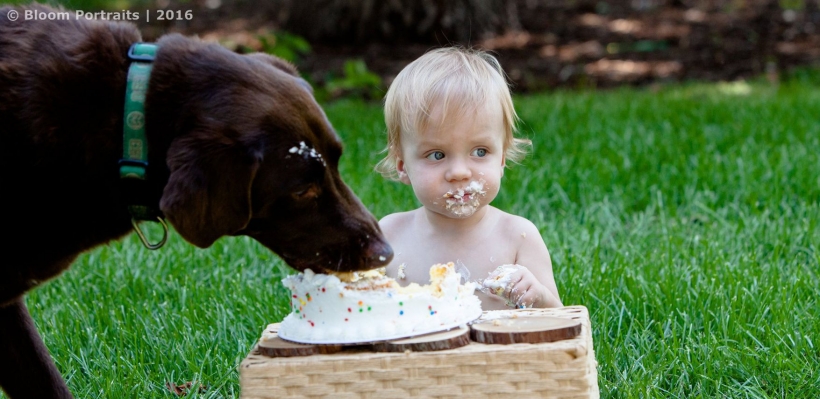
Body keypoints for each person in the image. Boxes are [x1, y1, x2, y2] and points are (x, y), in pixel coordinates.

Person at [375, 47, 562, 310]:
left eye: (479, 152)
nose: (460, 172)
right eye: (437, 154)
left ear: (501, 158)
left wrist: (538, 296)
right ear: (403, 166)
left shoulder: (518, 238)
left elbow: (561, 324)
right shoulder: (389, 236)